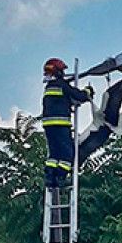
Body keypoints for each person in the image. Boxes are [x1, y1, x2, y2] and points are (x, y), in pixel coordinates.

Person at [42, 58, 93, 188]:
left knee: (54, 153)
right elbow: (77, 95)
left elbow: (64, 100)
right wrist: (87, 92)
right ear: (58, 72)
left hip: (48, 125)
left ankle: (50, 177)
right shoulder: (62, 85)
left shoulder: (49, 87)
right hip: (61, 124)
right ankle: (61, 177)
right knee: (67, 153)